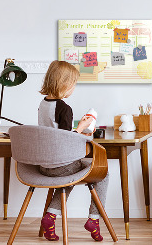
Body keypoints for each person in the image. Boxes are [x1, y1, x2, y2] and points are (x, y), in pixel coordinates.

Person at [38, 60, 108, 242]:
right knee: (103, 173)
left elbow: (55, 133)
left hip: (44, 165)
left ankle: (50, 217)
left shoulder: (43, 104)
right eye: (74, 84)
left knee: (69, 177)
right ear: (65, 84)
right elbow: (65, 140)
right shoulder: (64, 108)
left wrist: (77, 128)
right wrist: (82, 128)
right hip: (61, 165)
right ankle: (94, 219)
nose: (74, 88)